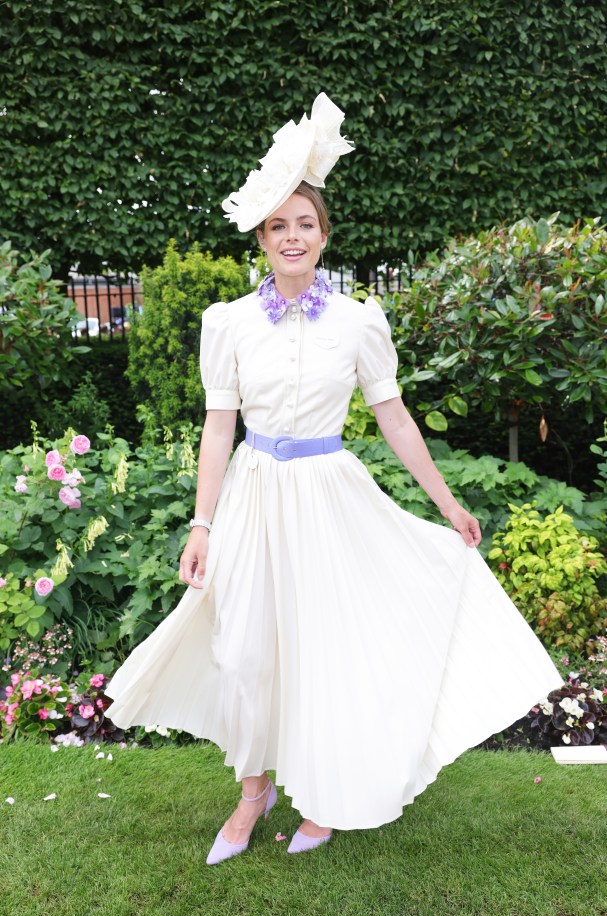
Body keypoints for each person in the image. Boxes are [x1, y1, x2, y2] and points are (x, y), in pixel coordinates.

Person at [104, 93, 562, 865]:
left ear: (324, 235)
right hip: (252, 496)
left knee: (323, 651)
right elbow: (220, 427)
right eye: (278, 224)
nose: (292, 236)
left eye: (305, 224)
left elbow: (394, 417)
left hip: (328, 497)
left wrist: (445, 503)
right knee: (240, 652)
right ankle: (254, 791)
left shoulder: (357, 322)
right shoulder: (228, 323)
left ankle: (322, 795)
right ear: (262, 236)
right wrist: (200, 522)